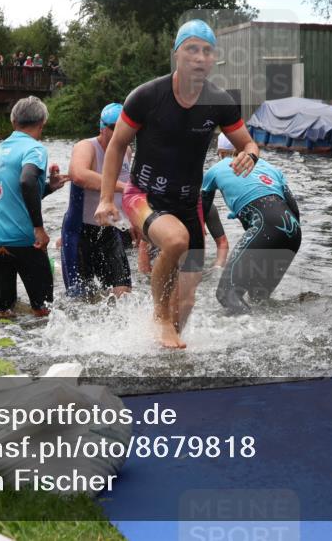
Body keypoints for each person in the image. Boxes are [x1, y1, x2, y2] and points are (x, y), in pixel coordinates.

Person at [93, 19, 260, 348]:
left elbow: (249, 143)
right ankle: (159, 317)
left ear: (214, 60)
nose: (199, 57)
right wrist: (105, 199)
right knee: (175, 240)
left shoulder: (219, 102)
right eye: (191, 49)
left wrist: (250, 155)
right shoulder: (146, 96)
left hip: (188, 203)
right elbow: (115, 146)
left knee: (186, 303)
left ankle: (166, 354)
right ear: (177, 55)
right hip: (144, 196)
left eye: (206, 51)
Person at [0, 96, 67, 319]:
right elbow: (27, 181)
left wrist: (49, 187)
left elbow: (17, 190)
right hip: (23, 240)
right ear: (42, 123)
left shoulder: (2, 148)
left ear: (13, 122)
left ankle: (1, 351)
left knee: (3, 311)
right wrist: (38, 228)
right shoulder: (35, 148)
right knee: (44, 310)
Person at [201, 134, 302, 314]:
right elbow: (294, 209)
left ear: (222, 153)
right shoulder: (271, 168)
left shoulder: (215, 170)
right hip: (294, 234)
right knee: (259, 298)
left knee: (226, 294)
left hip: (266, 226)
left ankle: (256, 337)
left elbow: (201, 211)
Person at [61, 103, 135, 299]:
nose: (120, 131)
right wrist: (122, 187)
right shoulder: (86, 146)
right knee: (81, 300)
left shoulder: (126, 151)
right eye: (113, 127)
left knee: (123, 294)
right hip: (79, 233)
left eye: (125, 126)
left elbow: (126, 193)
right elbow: (78, 175)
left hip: (110, 231)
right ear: (102, 128)